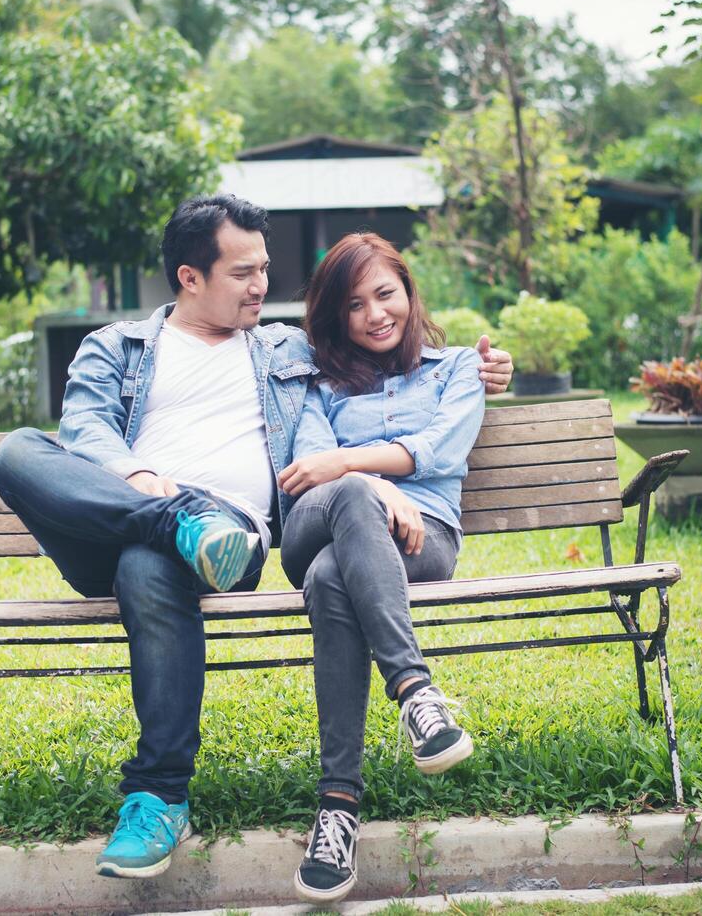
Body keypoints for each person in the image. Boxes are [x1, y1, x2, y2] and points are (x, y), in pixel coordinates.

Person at [0, 196, 513, 880]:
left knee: (151, 567)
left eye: (264, 269)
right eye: (243, 273)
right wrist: (143, 479)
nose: (261, 286)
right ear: (189, 277)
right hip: (123, 514)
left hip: (227, 541)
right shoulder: (115, 346)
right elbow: (85, 431)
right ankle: (175, 522)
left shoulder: (283, 349)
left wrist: (485, 371)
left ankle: (158, 797)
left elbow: (373, 356)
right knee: (18, 452)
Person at [275, 233, 486, 904]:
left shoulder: (456, 368)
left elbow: (441, 448)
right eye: (353, 304)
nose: (373, 314)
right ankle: (415, 692)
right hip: (319, 521)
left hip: (421, 540)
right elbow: (312, 471)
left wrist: (354, 463)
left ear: (408, 291)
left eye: (384, 294)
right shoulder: (319, 383)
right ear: (335, 315)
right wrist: (367, 482)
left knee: (335, 578)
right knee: (345, 502)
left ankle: (336, 807)